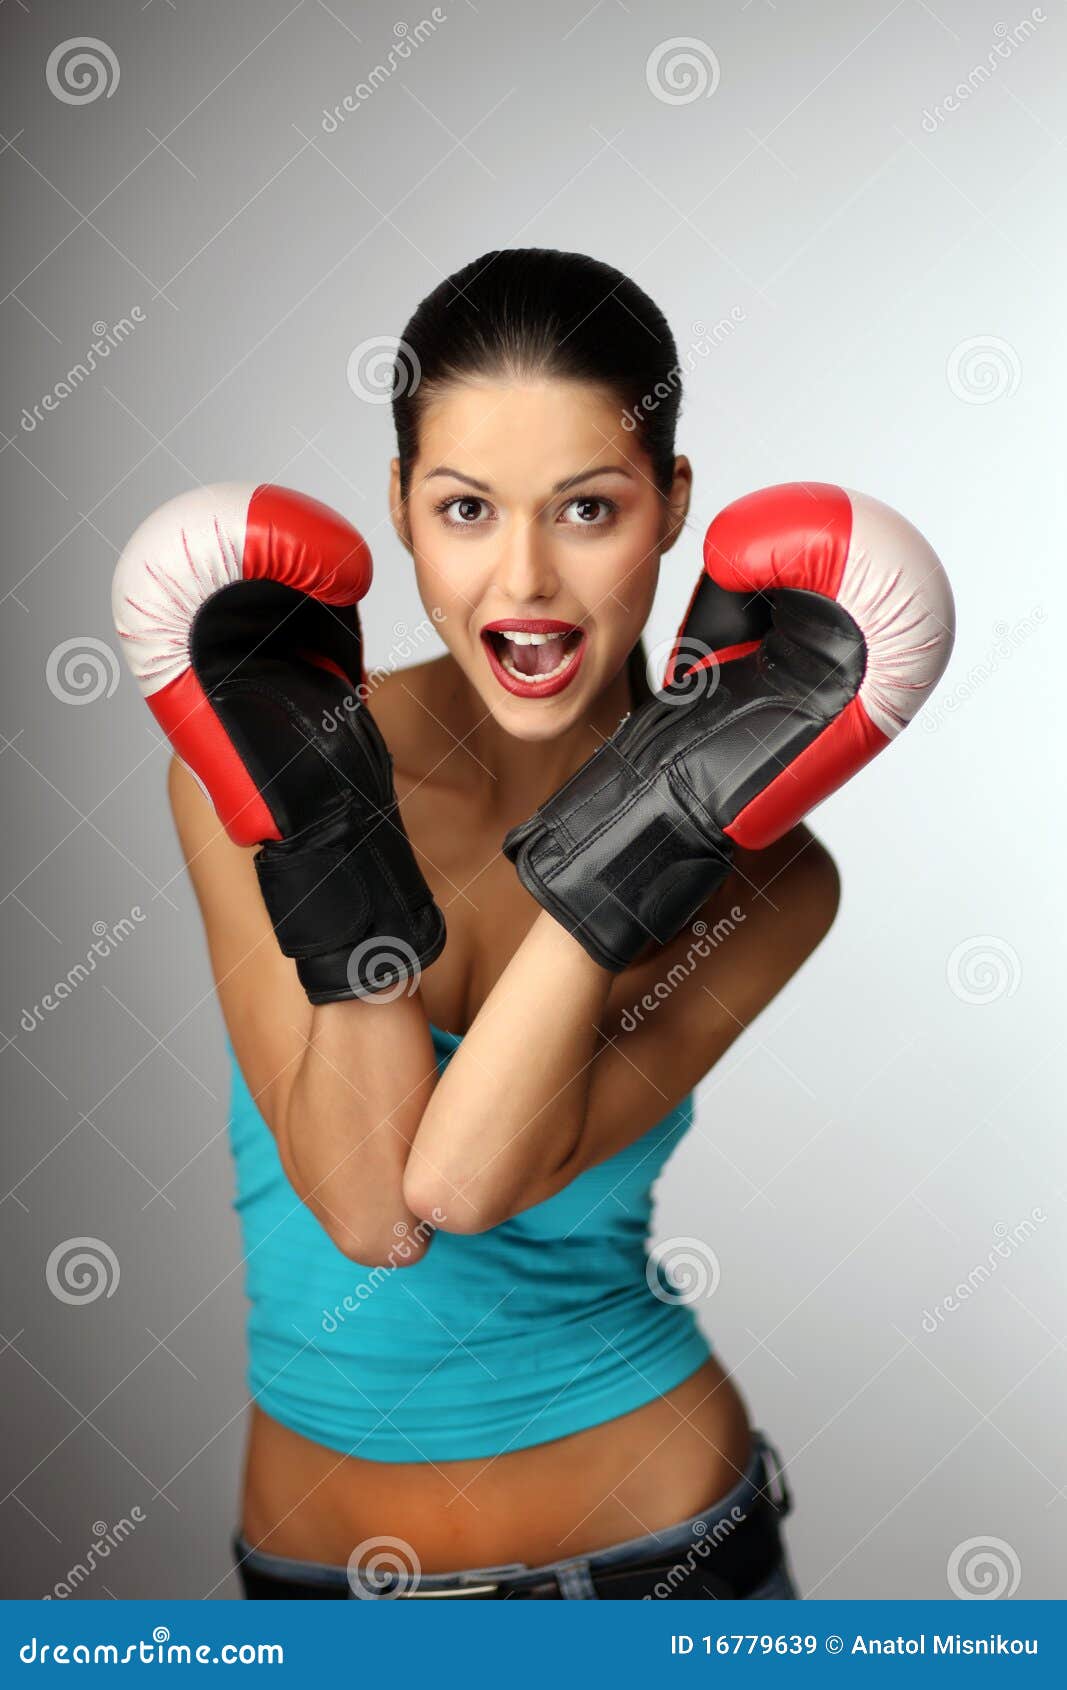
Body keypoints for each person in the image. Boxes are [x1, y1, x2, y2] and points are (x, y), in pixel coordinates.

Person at [112, 248, 953, 1599]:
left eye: (587, 508)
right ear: (396, 508)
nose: (525, 582)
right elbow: (363, 1204)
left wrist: (662, 818)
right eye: (464, 508)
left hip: (669, 1562)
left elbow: (461, 1183)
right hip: (328, 1595)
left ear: (674, 506)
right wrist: (328, 816)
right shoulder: (255, 753)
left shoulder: (775, 877)